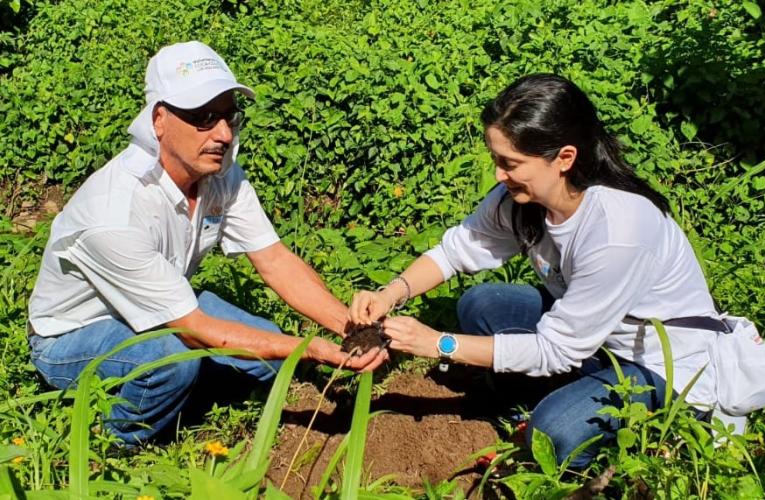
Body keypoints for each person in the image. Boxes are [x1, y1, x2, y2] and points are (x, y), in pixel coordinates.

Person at [349, 74, 727, 468]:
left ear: (564, 158)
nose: (499, 174)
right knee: (483, 304)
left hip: (661, 365)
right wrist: (390, 293)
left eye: (510, 163)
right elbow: (455, 251)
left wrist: (439, 344)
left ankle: (611, 442)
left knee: (554, 434)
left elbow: (555, 349)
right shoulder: (521, 201)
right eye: (496, 159)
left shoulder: (618, 231)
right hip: (595, 340)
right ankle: (561, 398)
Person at [27, 41, 386, 446]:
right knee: (171, 362)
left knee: (268, 361)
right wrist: (311, 350)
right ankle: (111, 445)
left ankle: (181, 397)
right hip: (75, 333)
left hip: (166, 307)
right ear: (159, 120)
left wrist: (351, 328)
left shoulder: (220, 175)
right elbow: (193, 327)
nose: (224, 134)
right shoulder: (116, 211)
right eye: (204, 118)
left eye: (229, 116)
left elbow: (274, 260)